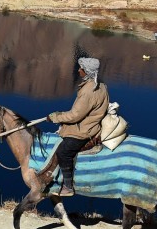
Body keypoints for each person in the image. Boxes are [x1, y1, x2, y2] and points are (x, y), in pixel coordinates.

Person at [43, 57, 110, 197]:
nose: (78, 70)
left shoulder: (88, 92)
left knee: (63, 152)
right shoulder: (101, 86)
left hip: (84, 131)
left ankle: (68, 187)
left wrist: (56, 117)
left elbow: (75, 116)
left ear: (86, 72)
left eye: (81, 68)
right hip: (92, 125)